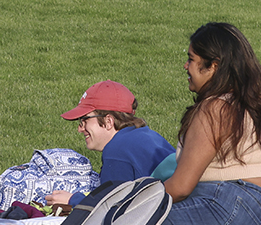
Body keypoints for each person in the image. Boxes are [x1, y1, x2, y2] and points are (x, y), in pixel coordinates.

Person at [157, 23, 261, 225]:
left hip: (231, 212)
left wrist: (133, 204)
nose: (186, 66)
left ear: (214, 66)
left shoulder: (216, 108)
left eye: (191, 59)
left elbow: (181, 186)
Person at [42, 80, 175, 209]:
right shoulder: (147, 135)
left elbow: (110, 208)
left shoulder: (117, 150)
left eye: (84, 120)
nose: (80, 129)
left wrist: (72, 200)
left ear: (109, 121)